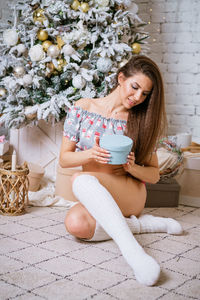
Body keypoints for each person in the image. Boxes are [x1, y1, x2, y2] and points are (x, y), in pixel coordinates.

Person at [59, 55, 182, 286]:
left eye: (145, 94)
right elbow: (64, 159)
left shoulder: (140, 120)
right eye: (135, 87)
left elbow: (154, 175)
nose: (137, 98)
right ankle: (143, 225)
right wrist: (90, 154)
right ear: (121, 78)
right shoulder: (82, 108)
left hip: (128, 192)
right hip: (95, 192)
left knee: (80, 180)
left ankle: (135, 254)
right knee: (75, 224)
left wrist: (132, 167)